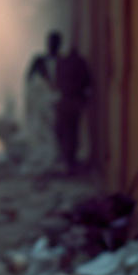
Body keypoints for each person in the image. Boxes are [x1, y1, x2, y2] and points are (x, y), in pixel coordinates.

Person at [22, 30, 62, 174]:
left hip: (55, 105)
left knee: (54, 135)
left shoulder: (62, 62)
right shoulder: (39, 61)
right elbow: (30, 81)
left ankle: (52, 161)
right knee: (40, 133)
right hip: (41, 106)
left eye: (55, 43)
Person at [54, 47, 91, 174]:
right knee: (70, 132)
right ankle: (69, 161)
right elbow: (87, 82)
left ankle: (69, 161)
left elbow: (58, 82)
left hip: (68, 102)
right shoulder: (79, 63)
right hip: (72, 102)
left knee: (67, 132)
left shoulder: (64, 63)